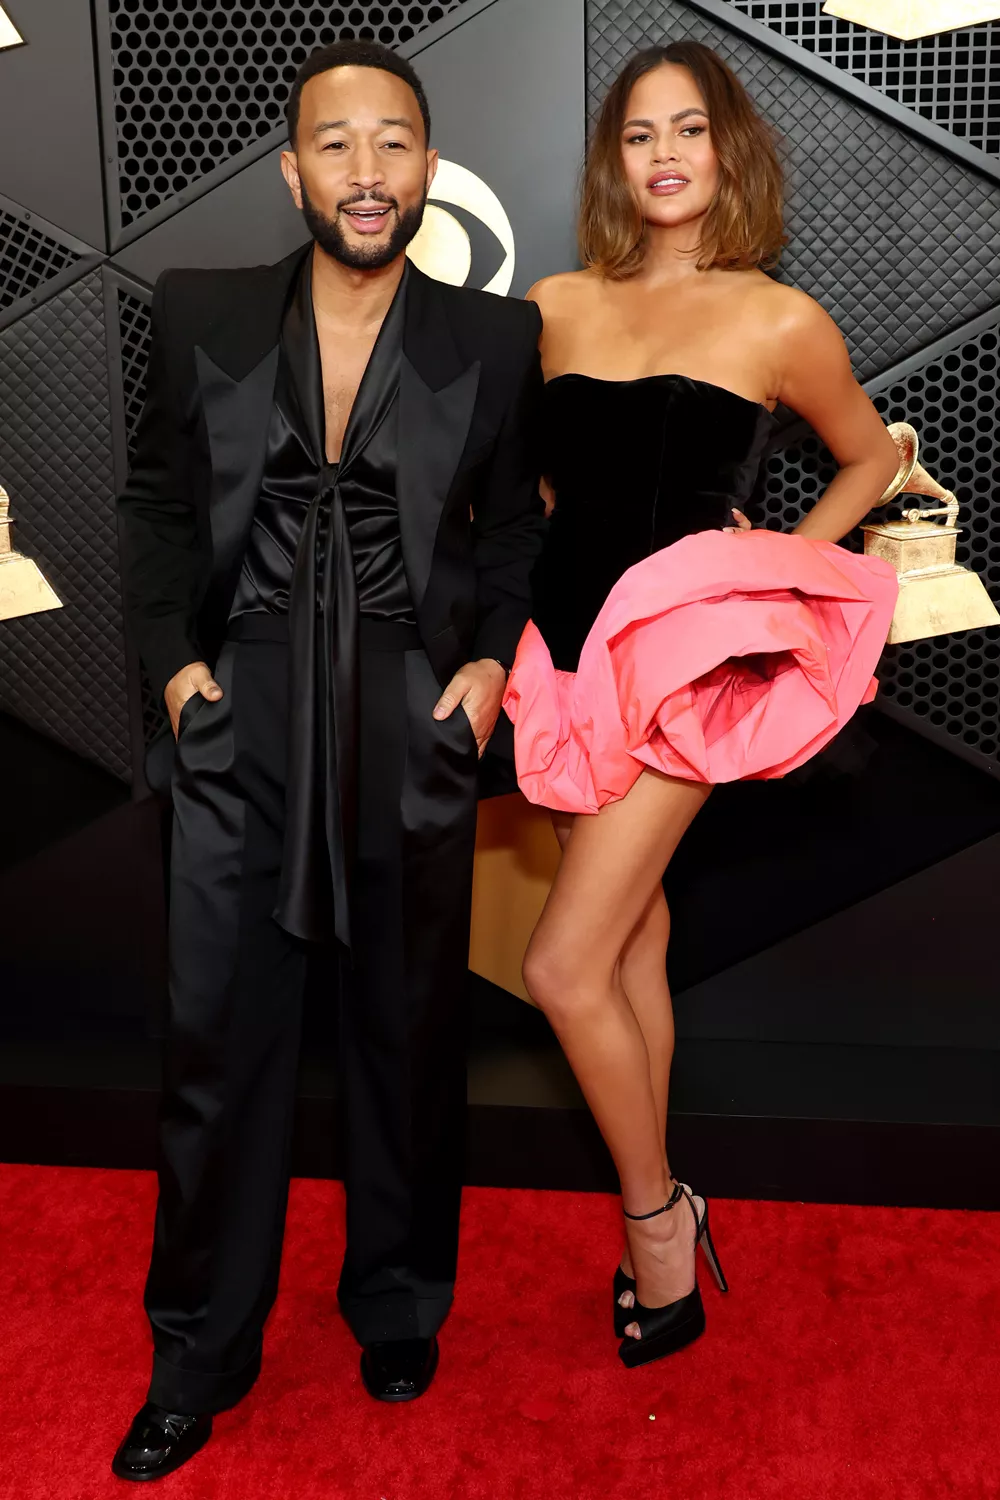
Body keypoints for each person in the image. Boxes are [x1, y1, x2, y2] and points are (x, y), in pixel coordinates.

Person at [112, 39, 544, 1480]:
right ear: (294, 171)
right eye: (339, 146)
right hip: (242, 706)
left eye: (396, 143)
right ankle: (196, 1354)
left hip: (409, 712)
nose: (369, 172)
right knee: (217, 1049)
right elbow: (159, 504)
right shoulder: (196, 311)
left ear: (431, 167)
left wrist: (483, 667)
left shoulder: (491, 340)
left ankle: (399, 1299)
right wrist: (178, 674)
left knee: (409, 1028)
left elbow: (514, 530)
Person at [503, 41, 899, 1370]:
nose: (664, 153)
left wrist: (771, 555)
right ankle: (656, 1204)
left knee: (559, 967)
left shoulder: (778, 319)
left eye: (689, 128)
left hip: (681, 663)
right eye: (637, 134)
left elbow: (867, 456)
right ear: (614, 162)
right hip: (560, 649)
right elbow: (541, 489)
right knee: (625, 949)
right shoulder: (552, 302)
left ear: (728, 149)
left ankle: (657, 1218)